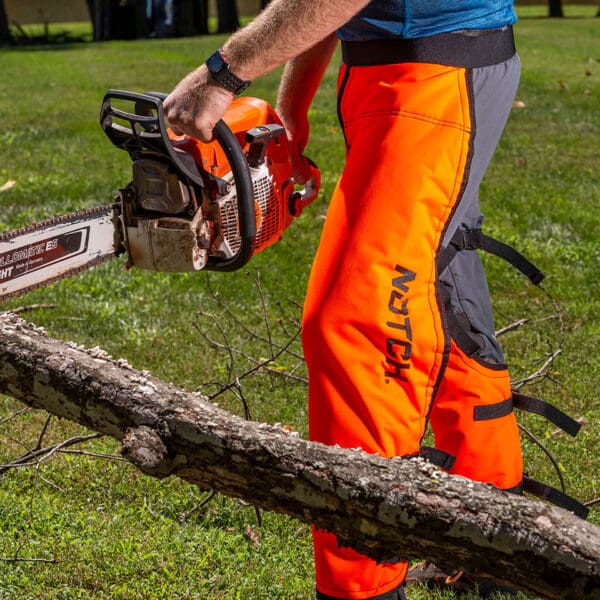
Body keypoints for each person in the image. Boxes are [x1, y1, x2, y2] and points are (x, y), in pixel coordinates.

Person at [164, 2, 525, 598]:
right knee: (434, 283)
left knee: (355, 323)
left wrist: (221, 75)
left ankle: (365, 585)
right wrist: (291, 110)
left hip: (435, 72)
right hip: (405, 68)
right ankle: (493, 537)